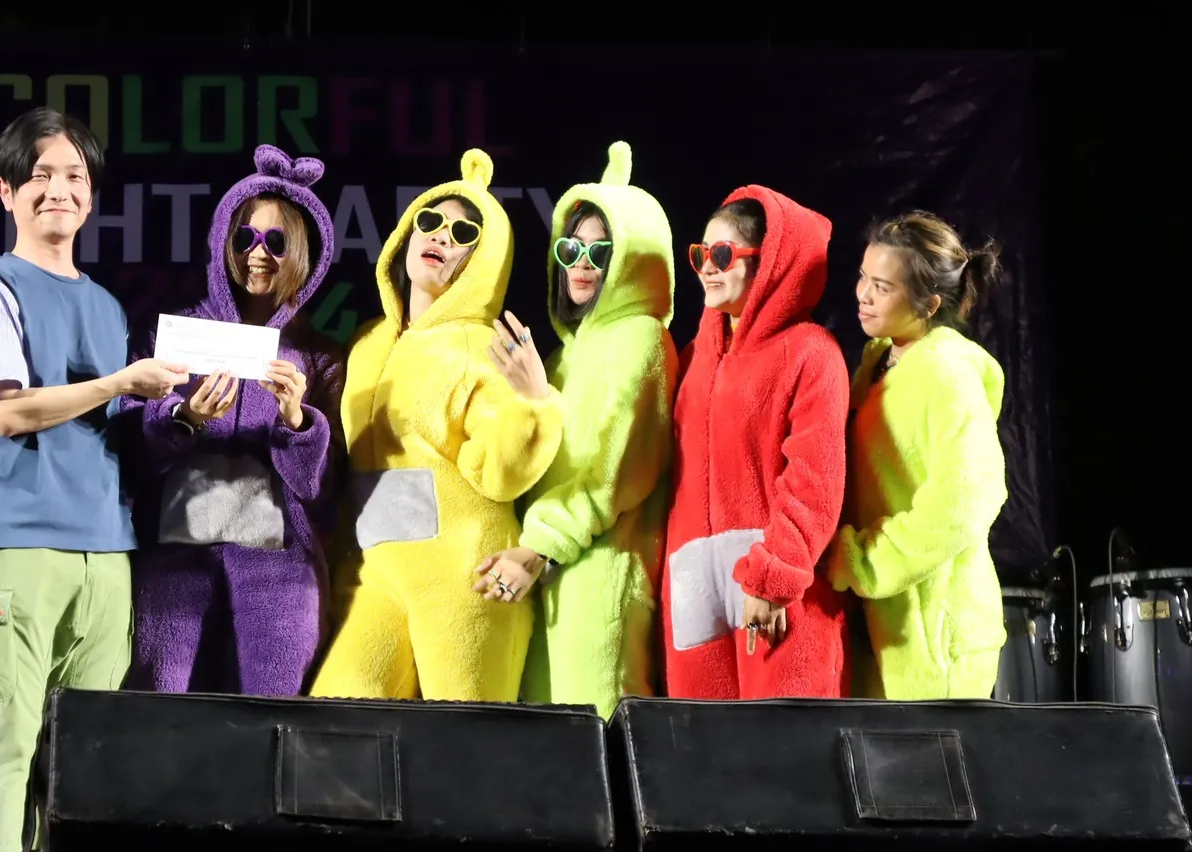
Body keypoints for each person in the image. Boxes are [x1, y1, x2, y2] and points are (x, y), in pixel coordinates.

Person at [0, 107, 188, 852]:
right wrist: (120, 381)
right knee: (4, 730)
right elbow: (9, 412)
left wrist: (179, 414)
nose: (60, 190)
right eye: (42, 175)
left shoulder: (108, 305)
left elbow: (108, 427)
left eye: (76, 176)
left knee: (85, 754)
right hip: (16, 543)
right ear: (7, 191)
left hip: (105, 549)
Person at [311, 149, 563, 703]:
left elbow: (501, 474)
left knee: (466, 736)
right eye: (431, 220)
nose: (442, 235)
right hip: (375, 574)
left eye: (464, 233)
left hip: (466, 573)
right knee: (337, 718)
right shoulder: (367, 343)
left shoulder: (482, 346)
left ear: (481, 261)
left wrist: (533, 402)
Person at [125, 145, 343, 696]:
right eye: (244, 237)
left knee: (274, 710)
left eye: (277, 241)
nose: (257, 254)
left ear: (305, 253)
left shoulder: (318, 358)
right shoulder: (174, 336)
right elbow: (129, 449)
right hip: (173, 554)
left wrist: (297, 422)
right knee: (160, 700)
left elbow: (323, 491)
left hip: (279, 567)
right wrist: (184, 419)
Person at [477, 142, 677, 718]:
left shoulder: (643, 339)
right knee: (556, 745)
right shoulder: (564, 356)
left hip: (601, 572)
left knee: (602, 734)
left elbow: (620, 474)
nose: (582, 263)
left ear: (632, 257)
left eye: (600, 250)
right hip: (545, 569)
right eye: (571, 248)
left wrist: (538, 547)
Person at [661, 188, 850, 700]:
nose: (708, 267)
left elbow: (814, 479)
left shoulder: (811, 352)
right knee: (701, 742)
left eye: (723, 255)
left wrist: (774, 578)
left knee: (783, 740)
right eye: (701, 254)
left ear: (769, 264)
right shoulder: (695, 356)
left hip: (776, 592)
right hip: (696, 587)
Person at [828, 213, 1008, 699]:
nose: (863, 294)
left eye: (882, 286)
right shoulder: (880, 362)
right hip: (887, 629)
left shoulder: (947, 374)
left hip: (938, 640)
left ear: (929, 303)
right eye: (863, 276)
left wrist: (868, 564)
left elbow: (968, 497)